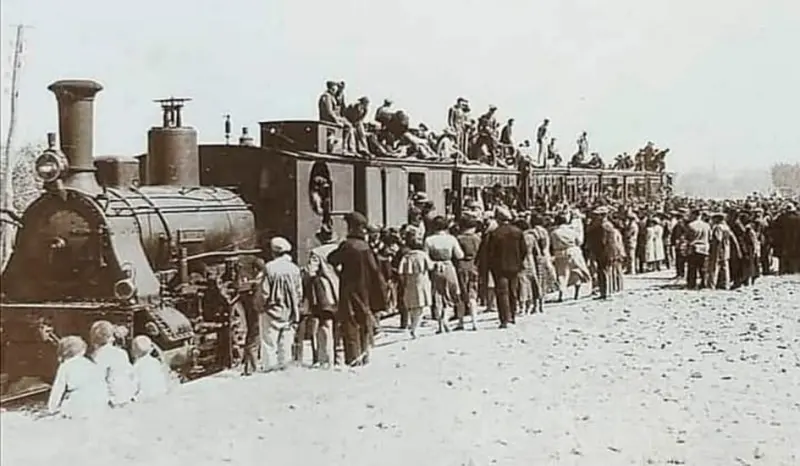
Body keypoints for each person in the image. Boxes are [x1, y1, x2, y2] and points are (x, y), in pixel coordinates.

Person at [328, 212, 388, 366]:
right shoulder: (366, 247)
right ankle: (364, 354)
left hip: (349, 289)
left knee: (350, 323)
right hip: (365, 289)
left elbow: (332, 259)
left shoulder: (348, 245)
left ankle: (353, 358)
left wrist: (339, 272)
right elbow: (375, 270)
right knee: (363, 321)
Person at [259, 236, 303, 372]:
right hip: (289, 310)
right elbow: (299, 292)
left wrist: (260, 306)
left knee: (269, 342)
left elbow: (264, 292)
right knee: (286, 340)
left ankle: (269, 367)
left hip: (272, 310)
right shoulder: (294, 268)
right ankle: (284, 365)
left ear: (273, 252)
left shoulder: (269, 268)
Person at [484, 207, 526, 328]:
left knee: (502, 292)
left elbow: (490, 252)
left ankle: (505, 319)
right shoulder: (518, 231)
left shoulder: (495, 233)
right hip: (515, 266)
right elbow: (523, 250)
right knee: (513, 291)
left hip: (499, 267)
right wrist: (519, 261)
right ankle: (512, 315)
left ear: (498, 219)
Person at [47, 335, 107, 418]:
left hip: (77, 402)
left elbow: (58, 388)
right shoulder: (90, 364)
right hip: (96, 402)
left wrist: (52, 407)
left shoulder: (65, 366)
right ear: (82, 351)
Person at [306, 225, 340, 368]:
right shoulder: (339, 249)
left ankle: (326, 358)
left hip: (325, 292)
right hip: (341, 289)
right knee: (339, 325)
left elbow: (311, 272)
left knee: (325, 324)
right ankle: (339, 358)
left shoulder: (316, 252)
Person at [424, 216, 464, 334]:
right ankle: (445, 317)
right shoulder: (451, 239)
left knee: (438, 295)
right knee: (451, 294)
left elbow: (426, 257)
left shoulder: (429, 240)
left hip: (436, 268)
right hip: (448, 266)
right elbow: (459, 255)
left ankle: (440, 324)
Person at [89, 320, 136, 407]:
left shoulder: (97, 356)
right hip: (125, 397)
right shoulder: (121, 353)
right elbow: (131, 375)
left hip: (110, 401)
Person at [397, 231, 434, 339]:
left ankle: (413, 325)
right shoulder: (423, 255)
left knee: (412, 306)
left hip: (409, 283)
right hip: (422, 282)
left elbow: (401, 272)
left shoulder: (406, 257)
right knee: (420, 307)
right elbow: (430, 267)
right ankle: (414, 328)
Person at [455, 217, 481, 331]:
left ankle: (461, 322)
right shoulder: (478, 238)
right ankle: (474, 322)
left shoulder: (458, 239)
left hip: (461, 266)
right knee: (473, 294)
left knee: (461, 295)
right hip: (474, 266)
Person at [131, 335, 169, 402]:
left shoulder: (137, 366)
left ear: (134, 351)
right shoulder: (156, 362)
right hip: (160, 394)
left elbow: (133, 385)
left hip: (145, 398)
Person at [708, 212, 741, 290]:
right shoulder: (727, 227)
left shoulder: (718, 227)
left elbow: (718, 239)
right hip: (726, 249)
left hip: (718, 250)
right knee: (725, 267)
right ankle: (726, 284)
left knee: (714, 267)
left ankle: (712, 284)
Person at [685, 209, 711, 289]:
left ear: (694, 215)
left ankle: (691, 284)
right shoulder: (707, 225)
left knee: (692, 268)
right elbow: (710, 237)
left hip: (694, 248)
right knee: (703, 268)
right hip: (704, 248)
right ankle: (704, 284)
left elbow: (687, 237)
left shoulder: (690, 225)